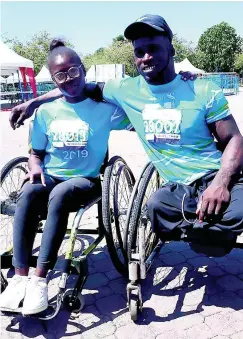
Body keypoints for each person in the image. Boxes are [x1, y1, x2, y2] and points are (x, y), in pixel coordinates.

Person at [10, 15, 243, 241]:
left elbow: (233, 139)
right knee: (155, 206)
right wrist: (34, 103)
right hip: (178, 189)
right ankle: (207, 229)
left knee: (236, 212)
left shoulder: (203, 90)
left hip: (218, 173)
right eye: (139, 52)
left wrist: (220, 183)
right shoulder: (123, 89)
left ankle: (207, 227)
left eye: (153, 48)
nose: (146, 57)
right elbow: (74, 85)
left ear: (171, 50)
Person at [0, 39, 132, 315]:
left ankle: (39, 281)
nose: (68, 79)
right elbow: (36, 152)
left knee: (60, 194)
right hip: (51, 178)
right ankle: (20, 277)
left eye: (73, 71)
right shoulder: (45, 112)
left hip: (86, 181)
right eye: (60, 75)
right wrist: (34, 166)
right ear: (53, 78)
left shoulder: (105, 108)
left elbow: (139, 114)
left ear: (84, 70)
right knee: (28, 192)